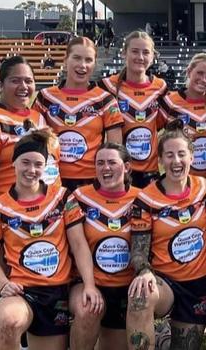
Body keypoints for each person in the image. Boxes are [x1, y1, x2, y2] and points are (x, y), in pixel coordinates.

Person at [0, 56, 61, 349]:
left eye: (29, 80)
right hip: (0, 210)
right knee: (1, 276)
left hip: (36, 210)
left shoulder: (36, 117)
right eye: (16, 80)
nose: (24, 86)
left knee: (25, 272)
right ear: (0, 84)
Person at [0, 127, 102, 349]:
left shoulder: (63, 198)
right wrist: (4, 284)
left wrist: (90, 286)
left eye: (38, 164)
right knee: (9, 322)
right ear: (13, 163)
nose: (32, 170)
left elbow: (79, 245)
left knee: (90, 307)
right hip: (22, 291)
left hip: (57, 291)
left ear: (46, 167)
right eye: (25, 162)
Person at [126, 121, 206, 350]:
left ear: (192, 158)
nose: (176, 161)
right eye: (170, 155)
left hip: (197, 284)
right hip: (164, 283)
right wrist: (144, 270)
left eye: (182, 154)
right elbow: (137, 250)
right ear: (161, 160)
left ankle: (163, 334)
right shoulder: (147, 198)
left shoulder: (205, 189)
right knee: (140, 296)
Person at [66, 143, 140, 349]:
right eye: (100, 163)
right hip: (88, 282)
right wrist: (89, 285)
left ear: (127, 167)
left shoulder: (142, 198)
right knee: (88, 308)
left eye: (111, 162)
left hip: (126, 286)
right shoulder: (79, 198)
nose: (105, 168)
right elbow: (78, 245)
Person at [33, 37, 123, 192]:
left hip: (92, 182)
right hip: (52, 180)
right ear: (65, 59)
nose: (82, 65)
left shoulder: (105, 100)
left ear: (94, 64)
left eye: (88, 60)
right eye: (77, 58)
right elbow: (33, 140)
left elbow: (115, 150)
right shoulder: (46, 97)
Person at [98, 31, 168, 188]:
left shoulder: (160, 87)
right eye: (135, 51)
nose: (140, 57)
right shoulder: (107, 86)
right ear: (124, 53)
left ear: (153, 56)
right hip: (120, 170)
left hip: (149, 170)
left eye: (145, 52)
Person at [160, 52, 206, 183]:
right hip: (183, 182)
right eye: (200, 73)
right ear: (189, 71)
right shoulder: (169, 102)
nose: (204, 79)